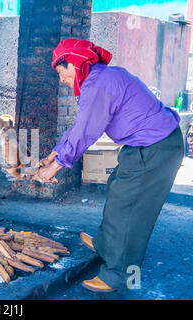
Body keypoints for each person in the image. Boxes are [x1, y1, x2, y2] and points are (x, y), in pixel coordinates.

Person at [37, 38, 184, 292]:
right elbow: (79, 126)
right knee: (117, 189)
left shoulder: (98, 85)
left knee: (130, 211)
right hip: (146, 145)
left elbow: (85, 131)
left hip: (155, 148)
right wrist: (54, 154)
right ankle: (106, 243)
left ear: (74, 63)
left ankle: (117, 276)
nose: (61, 79)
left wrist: (55, 167)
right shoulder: (102, 77)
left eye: (61, 72)